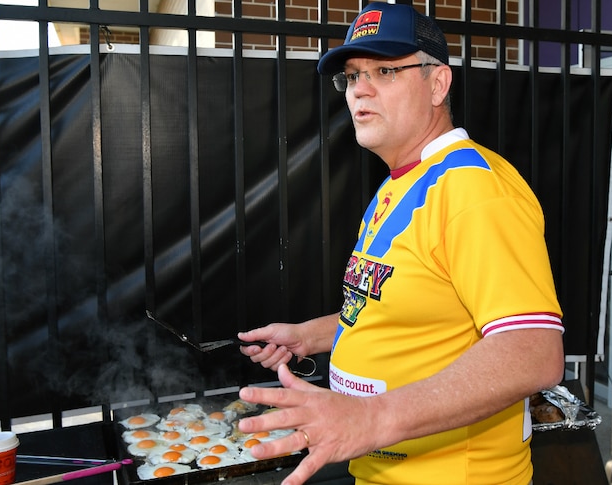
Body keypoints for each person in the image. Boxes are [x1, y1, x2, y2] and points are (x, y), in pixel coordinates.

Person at [235, 3, 565, 484]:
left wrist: (370, 419)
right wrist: (311, 336)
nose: (359, 89)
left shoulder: (474, 189)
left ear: (438, 84)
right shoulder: (403, 181)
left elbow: (532, 350)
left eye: (385, 70)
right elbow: (399, 310)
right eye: (351, 76)